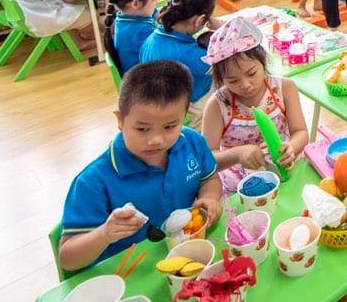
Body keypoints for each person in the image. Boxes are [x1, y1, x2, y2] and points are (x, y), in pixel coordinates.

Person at [56, 60, 222, 272]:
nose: (156, 140)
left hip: (190, 257)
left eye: (170, 126)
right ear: (120, 120)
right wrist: (104, 233)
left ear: (185, 116)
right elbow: (67, 259)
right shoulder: (93, 181)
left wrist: (209, 198)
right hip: (129, 274)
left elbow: (209, 179)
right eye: (143, 129)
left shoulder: (191, 142)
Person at [200, 17, 310, 192]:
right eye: (233, 81)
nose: (245, 85)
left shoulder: (285, 88)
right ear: (221, 79)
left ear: (263, 61)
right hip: (241, 178)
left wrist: (292, 148)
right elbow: (207, 159)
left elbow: (301, 132)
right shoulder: (217, 105)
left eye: (251, 73)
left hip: (286, 165)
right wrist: (237, 154)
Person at [139, 0, 219, 117]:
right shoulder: (190, 54)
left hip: (160, 99)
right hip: (189, 107)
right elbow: (223, 66)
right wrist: (220, 29)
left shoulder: (153, 36)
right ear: (199, 21)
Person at [102, 0, 163, 74]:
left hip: (134, 75)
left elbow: (153, 13)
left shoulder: (122, 17)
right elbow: (164, 46)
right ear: (135, 4)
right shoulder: (141, 31)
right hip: (143, 79)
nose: (156, 2)